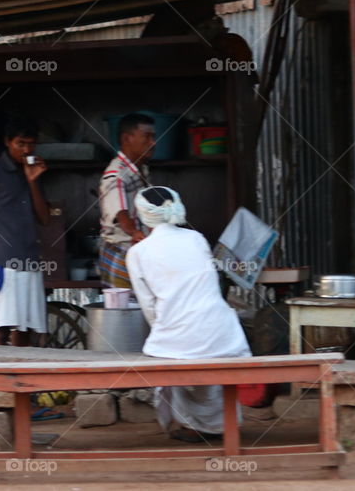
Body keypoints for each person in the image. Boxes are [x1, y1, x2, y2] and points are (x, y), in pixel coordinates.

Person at [125, 186, 251, 443]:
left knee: (170, 356)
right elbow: (209, 286)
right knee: (206, 363)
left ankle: (190, 425)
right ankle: (221, 424)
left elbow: (148, 305)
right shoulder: (196, 239)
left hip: (178, 336)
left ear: (142, 216)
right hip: (223, 333)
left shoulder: (137, 253)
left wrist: (165, 329)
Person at [0, 116, 50, 346]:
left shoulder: (32, 171)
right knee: (1, 327)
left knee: (25, 329)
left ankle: (19, 381)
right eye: (21, 143)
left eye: (31, 144)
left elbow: (44, 218)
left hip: (31, 259)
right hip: (3, 261)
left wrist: (33, 180)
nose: (26, 150)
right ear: (8, 142)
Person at [98, 113, 156, 287]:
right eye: (146, 137)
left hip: (136, 252)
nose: (153, 143)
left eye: (153, 137)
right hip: (121, 253)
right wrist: (134, 232)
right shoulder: (116, 175)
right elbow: (122, 216)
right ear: (126, 139)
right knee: (124, 312)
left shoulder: (140, 170)